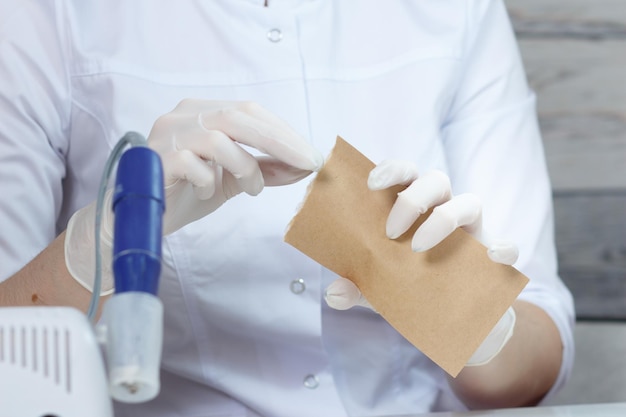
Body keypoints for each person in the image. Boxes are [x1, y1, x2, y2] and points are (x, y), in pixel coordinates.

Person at [0, 1, 574, 416]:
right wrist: (94, 246)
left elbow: (534, 363)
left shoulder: (459, 13)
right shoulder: (47, 18)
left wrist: (474, 317)